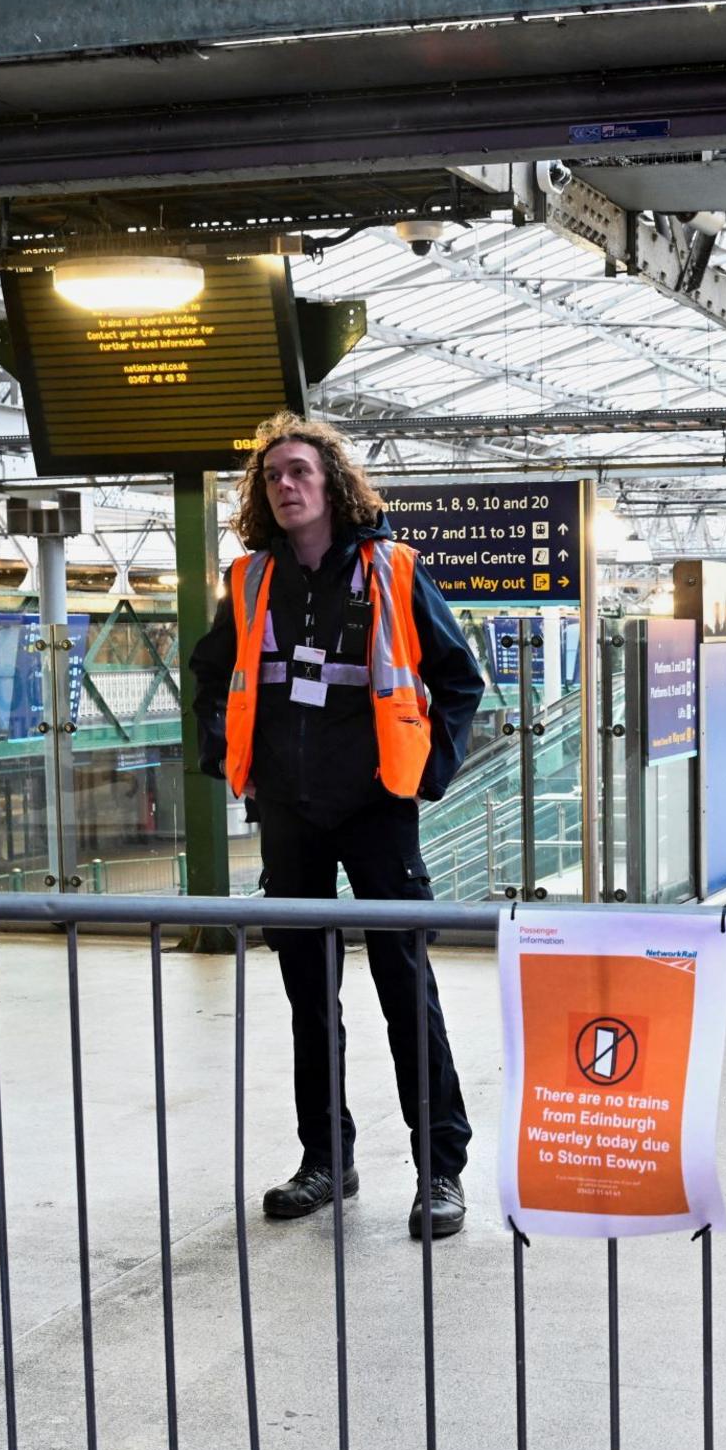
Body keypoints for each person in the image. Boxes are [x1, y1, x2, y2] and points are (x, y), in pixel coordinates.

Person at [191, 415, 486, 1239]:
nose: (284, 486)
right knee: (308, 997)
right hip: (289, 812)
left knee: (405, 986)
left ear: (332, 485)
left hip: (375, 807)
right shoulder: (250, 581)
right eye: (271, 477)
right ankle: (326, 1159)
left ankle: (441, 1170)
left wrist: (427, 773)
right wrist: (225, 750)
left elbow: (458, 678)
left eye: (298, 473)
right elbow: (210, 674)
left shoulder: (391, 570)